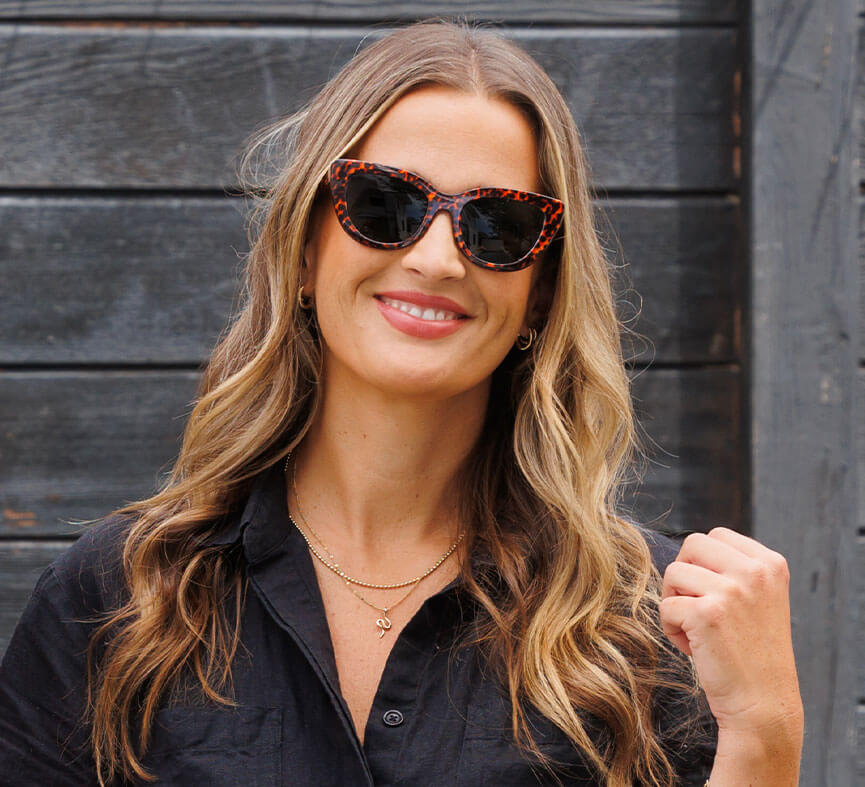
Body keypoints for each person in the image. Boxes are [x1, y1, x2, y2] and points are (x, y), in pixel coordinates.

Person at [0, 19, 803, 787]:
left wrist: (763, 733)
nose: (437, 258)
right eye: (384, 203)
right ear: (304, 249)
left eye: (496, 224)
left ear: (539, 293)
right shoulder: (117, 599)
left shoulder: (649, 623)